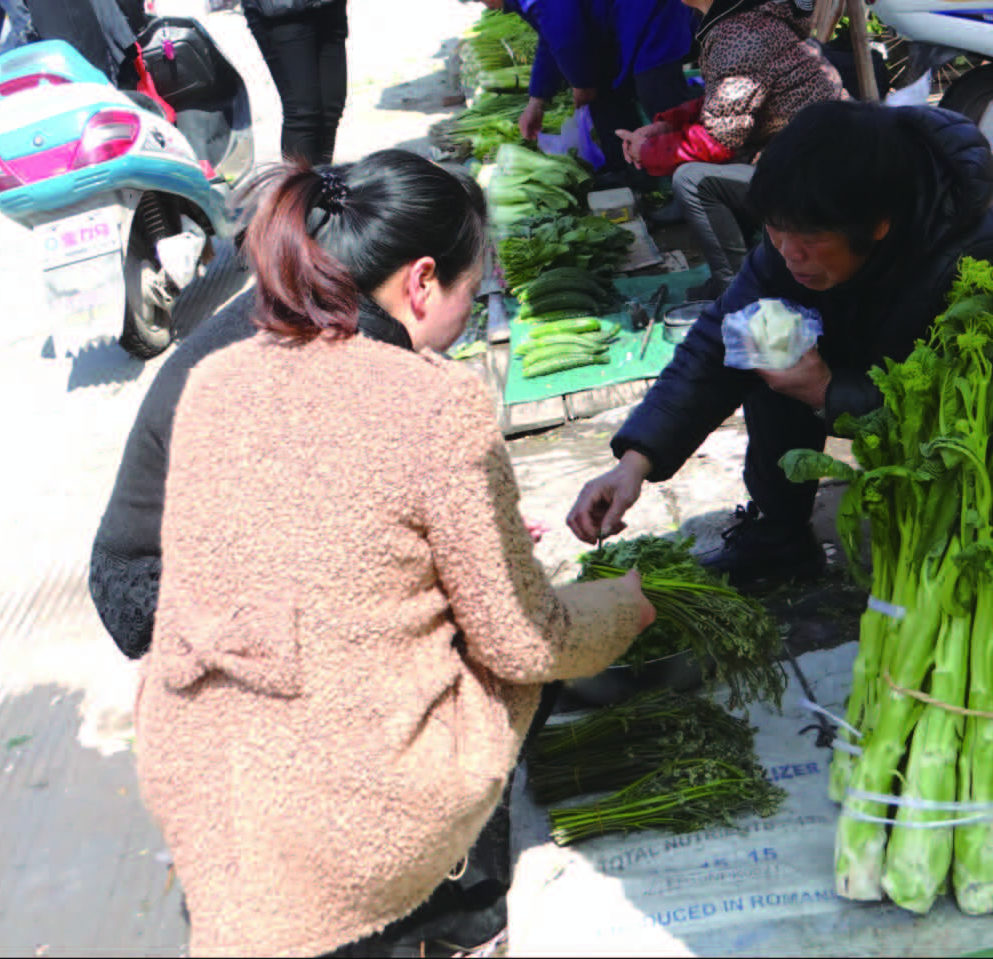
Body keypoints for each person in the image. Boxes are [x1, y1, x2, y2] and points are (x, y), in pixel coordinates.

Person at [129, 149, 655, 957]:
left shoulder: (216, 375)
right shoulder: (435, 399)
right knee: (513, 664)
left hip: (197, 771)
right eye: (471, 293)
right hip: (345, 818)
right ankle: (461, 913)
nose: (471, 316)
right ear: (419, 283)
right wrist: (624, 604)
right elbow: (522, 634)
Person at [567, 100, 993, 587]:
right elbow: (722, 330)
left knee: (984, 539)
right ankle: (780, 535)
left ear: (880, 224)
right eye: (775, 232)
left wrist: (828, 392)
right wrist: (636, 462)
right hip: (894, 378)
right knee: (766, 342)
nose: (789, 254)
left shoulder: (984, 249)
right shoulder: (804, 222)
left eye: (810, 241)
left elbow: (971, 409)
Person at [617, 0, 849, 301]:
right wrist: (661, 128)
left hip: (816, 176)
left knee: (692, 179)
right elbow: (724, 104)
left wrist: (647, 152)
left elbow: (719, 141)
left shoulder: (741, 34)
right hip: (811, 158)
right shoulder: (745, 21)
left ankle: (737, 292)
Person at [478, 0, 694, 182]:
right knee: (605, 94)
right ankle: (628, 173)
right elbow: (550, 39)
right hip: (620, 21)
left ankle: (690, 182)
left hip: (648, 15)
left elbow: (566, 36)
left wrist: (581, 83)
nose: (485, 5)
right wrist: (537, 101)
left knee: (661, 99)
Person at [242, 0, 349, 165]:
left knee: (330, 108)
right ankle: (298, 189)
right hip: (282, 11)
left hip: (329, 6)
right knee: (303, 113)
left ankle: (321, 183)